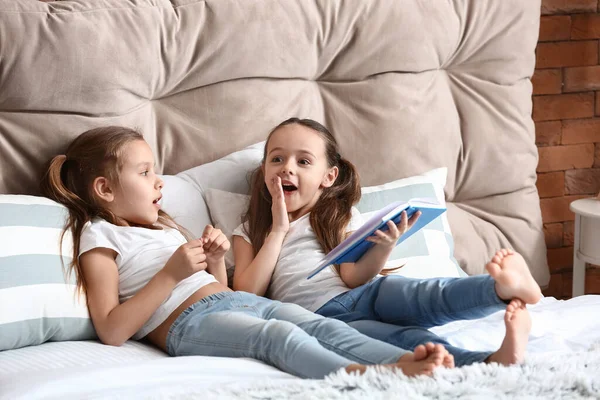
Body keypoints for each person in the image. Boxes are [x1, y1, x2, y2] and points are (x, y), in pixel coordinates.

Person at [40, 126, 454, 380]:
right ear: (105, 189)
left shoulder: (163, 229)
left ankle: (405, 360)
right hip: (185, 327)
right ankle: (368, 375)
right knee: (276, 337)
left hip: (235, 300)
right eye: (146, 172)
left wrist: (215, 261)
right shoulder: (100, 238)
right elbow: (112, 330)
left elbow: (214, 289)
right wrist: (170, 274)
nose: (159, 182)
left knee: (315, 325)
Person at [232, 117, 543, 367]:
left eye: (303, 162)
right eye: (277, 159)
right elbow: (247, 293)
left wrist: (385, 245)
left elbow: (353, 277)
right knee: (404, 341)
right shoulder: (249, 231)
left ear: (328, 177)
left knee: (428, 294)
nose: (287, 167)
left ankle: (500, 288)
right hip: (322, 320)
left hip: (368, 292)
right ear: (265, 171)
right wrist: (278, 230)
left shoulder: (338, 216)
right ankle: (491, 361)